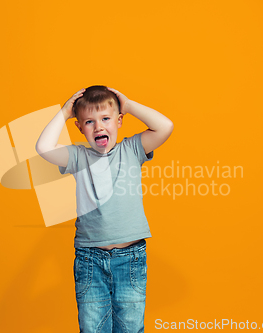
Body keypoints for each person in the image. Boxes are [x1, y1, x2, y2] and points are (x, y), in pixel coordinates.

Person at [35, 85, 173, 332]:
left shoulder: (132, 149)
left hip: (130, 257)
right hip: (90, 260)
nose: (98, 126)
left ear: (119, 121)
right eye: (89, 121)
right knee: (92, 328)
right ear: (79, 127)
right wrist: (65, 111)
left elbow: (165, 126)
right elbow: (43, 148)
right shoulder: (78, 157)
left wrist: (128, 105)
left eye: (106, 119)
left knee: (130, 327)